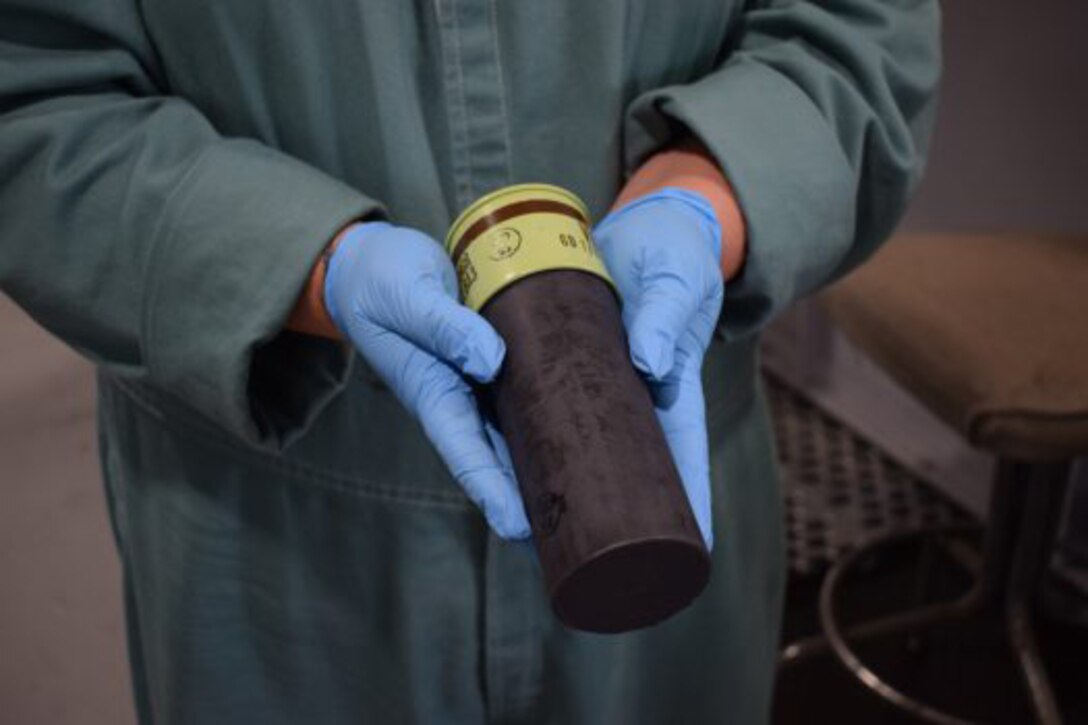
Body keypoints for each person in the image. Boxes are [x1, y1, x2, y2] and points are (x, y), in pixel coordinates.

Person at [0, 1, 940, 723]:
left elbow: (858, 31)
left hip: (662, 464)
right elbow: (32, 96)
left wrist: (704, 198)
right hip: (275, 531)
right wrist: (304, 266)